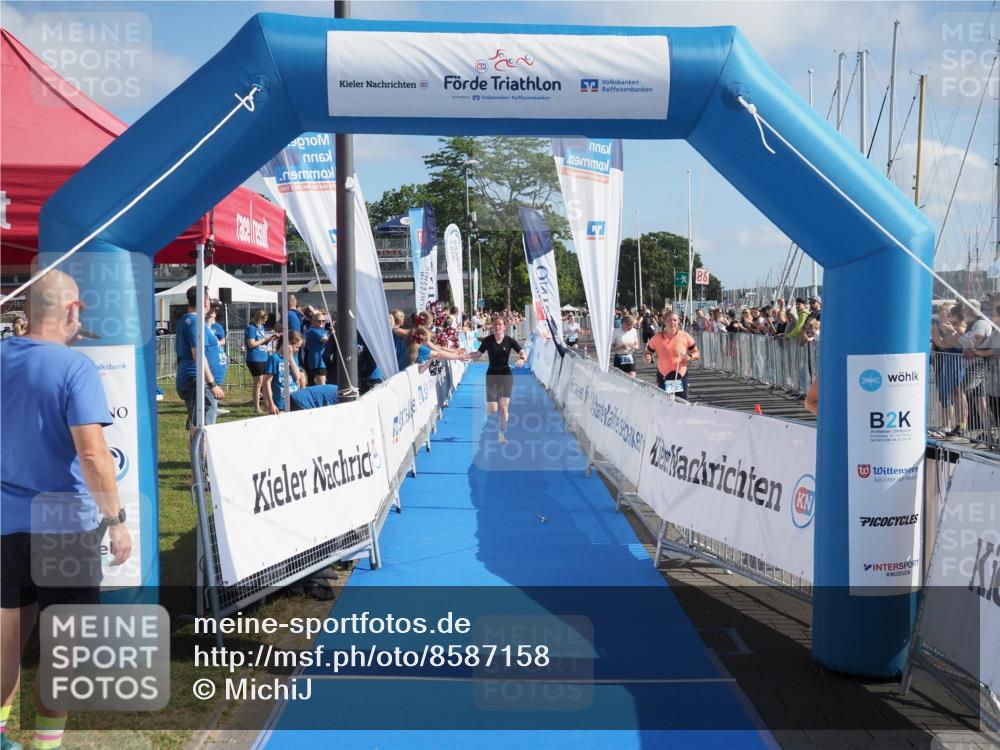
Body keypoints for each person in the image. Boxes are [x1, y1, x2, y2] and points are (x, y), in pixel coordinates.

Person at [1, 270, 132, 750]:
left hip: (5, 522)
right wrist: (117, 522)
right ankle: (45, 744)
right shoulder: (74, 367)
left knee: (7, 639)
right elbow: (94, 454)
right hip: (63, 526)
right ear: (73, 310)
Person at [465, 315, 527, 444]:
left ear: (504, 327)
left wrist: (522, 359)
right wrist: (464, 356)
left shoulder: (510, 341)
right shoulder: (488, 340)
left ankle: (501, 434)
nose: (497, 327)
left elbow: (522, 352)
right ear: (492, 327)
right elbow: (478, 354)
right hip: (492, 374)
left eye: (500, 324)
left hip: (505, 374)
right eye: (495, 325)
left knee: (503, 408)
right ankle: (490, 427)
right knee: (493, 409)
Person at [177, 286, 226, 432]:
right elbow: (198, 355)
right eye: (209, 299)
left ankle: (199, 452)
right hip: (199, 382)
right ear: (205, 302)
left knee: (200, 427)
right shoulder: (194, 324)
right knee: (204, 430)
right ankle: (201, 455)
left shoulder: (195, 321)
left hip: (199, 382)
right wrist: (212, 384)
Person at [644, 312, 700, 400]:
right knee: (665, 405)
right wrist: (648, 358)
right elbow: (647, 353)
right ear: (665, 322)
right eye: (669, 320)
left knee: (682, 406)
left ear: (678, 322)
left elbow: (697, 353)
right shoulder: (657, 338)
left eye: (675, 320)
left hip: (681, 377)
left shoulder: (685, 336)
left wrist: (690, 356)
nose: (672, 322)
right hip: (664, 377)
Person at [263, 332, 305, 414]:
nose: (298, 350)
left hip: (294, 400)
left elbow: (297, 377)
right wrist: (271, 404)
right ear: (288, 344)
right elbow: (267, 382)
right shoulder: (274, 358)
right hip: (280, 403)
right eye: (297, 347)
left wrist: (290, 358)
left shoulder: (293, 357)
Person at [244, 309, 276, 414]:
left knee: (264, 382)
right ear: (258, 318)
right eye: (263, 320)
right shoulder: (251, 328)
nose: (265, 322)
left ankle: (267, 405)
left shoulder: (261, 328)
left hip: (263, 356)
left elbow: (260, 343)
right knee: (258, 383)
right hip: (254, 358)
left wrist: (268, 340)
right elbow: (251, 344)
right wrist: (264, 340)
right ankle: (257, 407)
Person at [207, 305, 229, 415]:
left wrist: (214, 342)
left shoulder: (218, 327)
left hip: (218, 357)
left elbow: (223, 341)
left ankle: (215, 406)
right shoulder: (205, 326)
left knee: (217, 384)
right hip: (210, 359)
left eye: (213, 313)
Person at [304, 311, 330, 386]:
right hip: (317, 362)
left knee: (322, 384)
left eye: (323, 321)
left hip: (322, 361)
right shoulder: (313, 330)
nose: (321, 322)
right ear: (313, 321)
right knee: (322, 385)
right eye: (319, 321)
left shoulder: (322, 330)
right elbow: (326, 340)